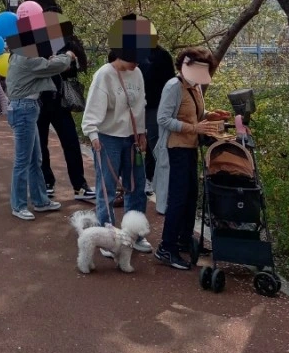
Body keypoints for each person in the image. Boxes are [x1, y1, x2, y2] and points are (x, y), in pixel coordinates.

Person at [154, 48, 226, 270]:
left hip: (190, 147)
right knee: (178, 198)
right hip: (176, 148)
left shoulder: (195, 87)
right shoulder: (173, 86)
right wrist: (194, 128)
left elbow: (196, 115)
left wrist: (210, 116)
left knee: (191, 195)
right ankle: (167, 247)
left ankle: (183, 239)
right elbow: (163, 118)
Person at [81, 47, 151, 253]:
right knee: (107, 188)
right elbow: (92, 108)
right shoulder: (104, 74)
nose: (136, 64)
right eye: (134, 60)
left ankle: (134, 235)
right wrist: (93, 134)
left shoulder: (137, 73)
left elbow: (140, 105)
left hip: (132, 137)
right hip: (108, 137)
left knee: (137, 187)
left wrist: (142, 132)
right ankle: (107, 237)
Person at [6, 49, 72, 219]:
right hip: (24, 109)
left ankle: (40, 200)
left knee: (35, 159)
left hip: (26, 108)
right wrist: (67, 56)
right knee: (23, 160)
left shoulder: (20, 55)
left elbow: (47, 65)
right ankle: (18, 205)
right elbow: (51, 66)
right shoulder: (26, 57)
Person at [38, 33, 96, 202]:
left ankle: (79, 186)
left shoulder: (66, 43)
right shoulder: (34, 45)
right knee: (40, 145)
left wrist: (63, 62)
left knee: (71, 143)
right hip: (38, 102)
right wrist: (57, 63)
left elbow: (76, 65)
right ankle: (46, 182)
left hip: (60, 102)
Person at [137, 43, 176, 195]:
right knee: (142, 142)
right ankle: (142, 178)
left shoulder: (163, 55)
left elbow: (170, 81)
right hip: (140, 106)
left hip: (158, 106)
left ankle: (153, 178)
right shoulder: (137, 54)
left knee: (156, 143)